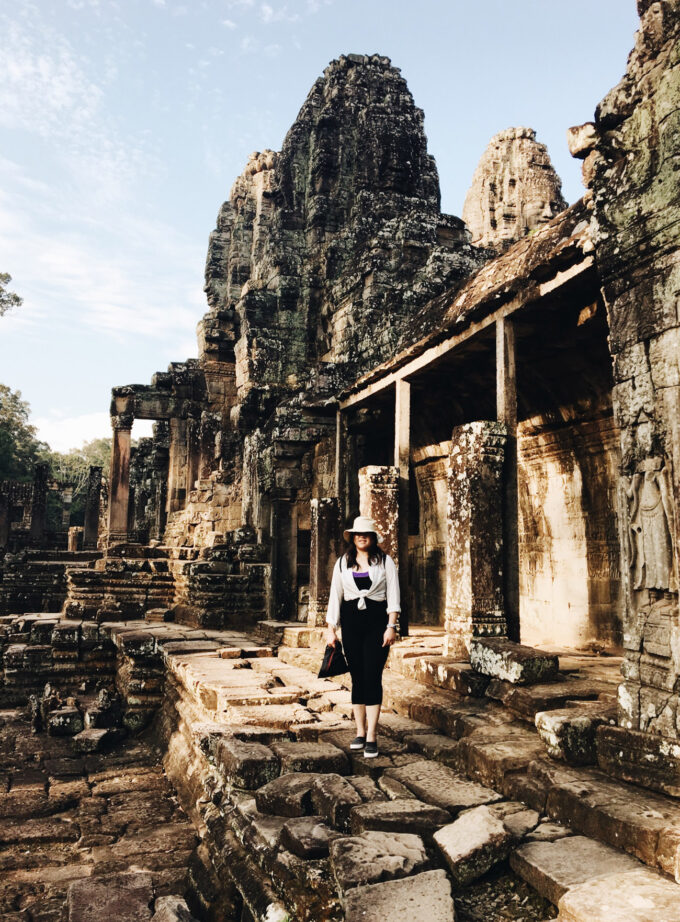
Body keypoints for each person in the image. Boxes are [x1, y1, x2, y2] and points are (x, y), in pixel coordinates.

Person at [325, 515, 400, 758]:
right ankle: (359, 731)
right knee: (357, 676)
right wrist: (331, 629)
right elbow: (335, 596)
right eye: (357, 534)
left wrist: (391, 626)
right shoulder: (342, 563)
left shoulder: (385, 562)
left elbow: (394, 596)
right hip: (351, 623)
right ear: (352, 537)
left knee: (372, 674)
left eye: (366, 533)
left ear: (373, 537)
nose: (361, 537)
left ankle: (372, 735)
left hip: (377, 623)